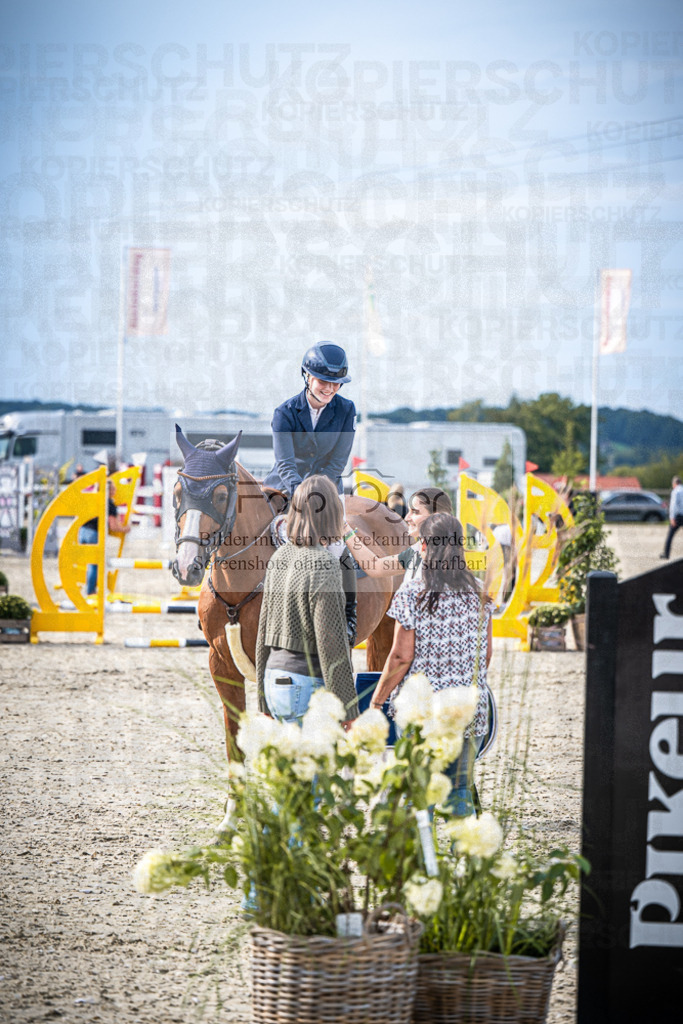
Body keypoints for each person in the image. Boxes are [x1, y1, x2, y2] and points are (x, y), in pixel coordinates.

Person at [369, 512, 493, 817]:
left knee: (415, 791)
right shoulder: (479, 592)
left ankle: (418, 859)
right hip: (468, 710)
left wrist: (379, 698)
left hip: (423, 712)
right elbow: (486, 654)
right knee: (460, 790)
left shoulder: (413, 593)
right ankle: (463, 859)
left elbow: (401, 657)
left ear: (424, 547)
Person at [255, 475, 359, 729]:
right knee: (317, 769)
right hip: (306, 683)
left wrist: (261, 697)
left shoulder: (279, 557)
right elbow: (331, 642)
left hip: (273, 679)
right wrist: (348, 707)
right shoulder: (324, 563)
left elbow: (262, 632)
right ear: (333, 513)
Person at [263, 343, 355, 501]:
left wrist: (317, 492)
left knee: (342, 525)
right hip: (286, 489)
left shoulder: (346, 410)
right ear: (307, 376)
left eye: (335, 383)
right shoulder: (284, 413)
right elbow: (285, 464)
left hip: (328, 489)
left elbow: (338, 462)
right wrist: (302, 494)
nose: (329, 388)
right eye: (322, 381)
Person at [343, 486, 454, 580]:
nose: (407, 518)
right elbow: (376, 567)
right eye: (409, 511)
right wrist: (348, 532)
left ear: (436, 516)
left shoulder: (443, 557)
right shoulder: (417, 551)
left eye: (415, 512)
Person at [80, 480, 130, 595]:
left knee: (87, 563)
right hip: (93, 533)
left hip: (82, 531)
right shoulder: (109, 503)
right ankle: (91, 592)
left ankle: (86, 588)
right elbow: (113, 526)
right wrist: (125, 529)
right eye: (113, 489)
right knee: (94, 564)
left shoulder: (93, 498)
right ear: (108, 490)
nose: (115, 490)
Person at [660, 476, 683, 560]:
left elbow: (673, 506)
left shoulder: (675, 491)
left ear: (674, 483)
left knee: (670, 536)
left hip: (678, 516)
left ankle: (666, 554)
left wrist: (672, 518)